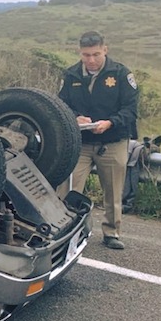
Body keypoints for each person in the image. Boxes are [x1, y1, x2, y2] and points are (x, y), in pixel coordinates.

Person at [58, 30, 139, 250]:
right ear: (80, 53)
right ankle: (65, 232)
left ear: (105, 49)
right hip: (81, 142)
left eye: (95, 54)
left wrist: (110, 122)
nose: (91, 60)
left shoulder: (121, 74)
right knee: (68, 190)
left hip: (112, 142)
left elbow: (130, 110)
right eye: (86, 55)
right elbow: (60, 105)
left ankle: (111, 232)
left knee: (113, 191)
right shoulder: (71, 74)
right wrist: (74, 117)